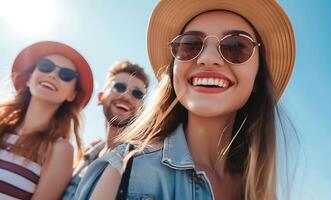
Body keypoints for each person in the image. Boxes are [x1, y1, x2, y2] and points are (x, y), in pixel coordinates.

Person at [75, 0, 296, 199]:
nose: (208, 58)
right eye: (190, 45)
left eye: (236, 46)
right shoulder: (124, 168)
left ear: (258, 78)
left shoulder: (258, 190)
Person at [0, 41, 93, 200]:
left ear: (72, 95)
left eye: (66, 75)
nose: (52, 75)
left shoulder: (59, 150)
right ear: (29, 79)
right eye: (45, 65)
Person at [61, 61, 149, 199]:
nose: (126, 96)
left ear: (142, 110)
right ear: (101, 97)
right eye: (119, 87)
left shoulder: (143, 164)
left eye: (137, 94)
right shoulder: (88, 156)